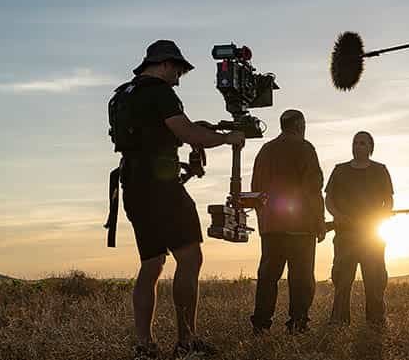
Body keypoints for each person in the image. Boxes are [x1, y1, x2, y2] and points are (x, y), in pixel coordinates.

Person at [109, 40, 245, 360]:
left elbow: (151, 134)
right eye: (179, 70)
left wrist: (193, 130)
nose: (180, 76)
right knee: (190, 258)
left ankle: (144, 346)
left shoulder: (122, 96)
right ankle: (187, 343)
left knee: (152, 264)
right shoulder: (161, 92)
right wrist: (228, 139)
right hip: (163, 189)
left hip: (134, 186)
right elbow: (189, 135)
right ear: (166, 64)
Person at [249, 109, 326, 334]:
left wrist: (263, 220)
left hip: (271, 227)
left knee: (268, 277)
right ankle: (298, 323)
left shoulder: (265, 150)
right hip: (301, 227)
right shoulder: (304, 148)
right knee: (301, 278)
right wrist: (319, 221)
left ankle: (261, 325)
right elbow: (313, 188)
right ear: (300, 125)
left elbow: (256, 189)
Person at [325, 131, 394, 327]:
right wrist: (338, 216)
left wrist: (380, 215)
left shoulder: (380, 170)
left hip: (372, 235)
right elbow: (328, 199)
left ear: (370, 147)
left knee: (375, 279)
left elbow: (388, 200)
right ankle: (338, 321)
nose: (358, 146)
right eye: (355, 142)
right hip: (345, 235)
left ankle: (376, 321)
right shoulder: (339, 170)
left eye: (362, 143)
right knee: (342, 279)